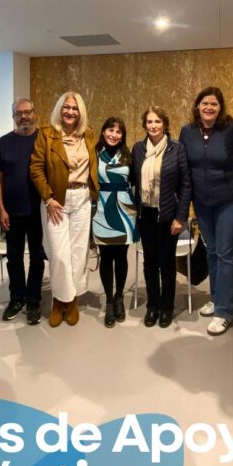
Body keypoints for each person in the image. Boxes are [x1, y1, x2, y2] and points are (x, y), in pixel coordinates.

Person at [179, 87, 233, 336]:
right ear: (197, 106)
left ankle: (225, 312)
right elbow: (184, 166)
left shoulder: (232, 130)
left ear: (220, 108)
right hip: (202, 202)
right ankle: (216, 299)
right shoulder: (187, 131)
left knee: (225, 253)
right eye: (205, 103)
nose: (209, 107)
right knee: (212, 251)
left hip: (228, 200)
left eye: (214, 104)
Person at [29, 92, 98, 327]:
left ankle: (72, 301)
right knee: (58, 253)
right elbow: (36, 168)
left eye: (75, 108)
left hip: (82, 198)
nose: (70, 112)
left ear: (81, 112)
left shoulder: (88, 134)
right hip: (56, 201)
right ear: (60, 109)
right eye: (66, 107)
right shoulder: (46, 134)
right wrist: (47, 198)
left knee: (78, 253)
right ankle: (59, 301)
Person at [131, 107, 191, 329]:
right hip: (145, 214)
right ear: (144, 125)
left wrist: (180, 217)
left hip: (168, 215)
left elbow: (186, 184)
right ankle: (152, 306)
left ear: (164, 124)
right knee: (150, 262)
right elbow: (132, 180)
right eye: (149, 122)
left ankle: (167, 307)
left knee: (166, 263)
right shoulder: (138, 149)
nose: (153, 125)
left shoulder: (177, 149)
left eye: (157, 121)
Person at [0, 98, 45, 326]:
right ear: (13, 116)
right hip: (12, 211)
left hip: (39, 211)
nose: (24, 116)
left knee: (37, 256)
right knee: (13, 257)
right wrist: (1, 208)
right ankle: (17, 298)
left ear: (34, 113)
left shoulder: (44, 140)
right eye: (18, 113)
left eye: (27, 112)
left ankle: (33, 300)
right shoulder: (4, 142)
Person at [92, 117, 138, 327]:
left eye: (118, 132)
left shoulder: (127, 155)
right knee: (105, 257)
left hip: (125, 210)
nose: (114, 135)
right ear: (103, 132)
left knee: (121, 257)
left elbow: (135, 181)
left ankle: (119, 297)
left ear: (122, 136)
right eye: (110, 130)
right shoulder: (94, 154)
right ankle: (109, 301)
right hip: (102, 210)